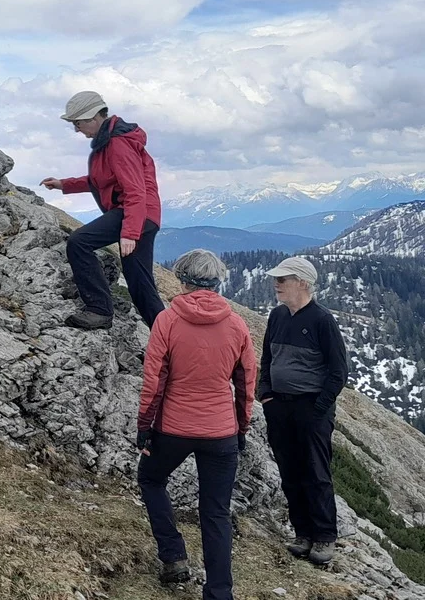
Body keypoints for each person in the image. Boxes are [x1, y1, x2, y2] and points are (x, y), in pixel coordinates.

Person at [135, 249, 256, 599]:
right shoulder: (236, 324)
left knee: (151, 478)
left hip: (173, 427)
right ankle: (219, 592)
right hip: (221, 433)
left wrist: (145, 426)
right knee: (215, 513)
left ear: (181, 278)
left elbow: (154, 379)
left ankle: (173, 557)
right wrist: (242, 429)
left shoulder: (168, 320)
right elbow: (246, 382)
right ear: (217, 280)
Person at [41, 91, 165, 330]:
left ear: (92, 118)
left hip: (134, 212)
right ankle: (170, 344)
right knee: (140, 285)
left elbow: (135, 190)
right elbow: (101, 180)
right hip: (142, 215)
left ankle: (98, 310)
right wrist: (64, 184)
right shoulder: (109, 142)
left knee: (79, 242)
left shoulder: (117, 144)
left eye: (77, 123)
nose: (77, 130)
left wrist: (129, 232)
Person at [259, 256, 347, 565]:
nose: (276, 284)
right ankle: (302, 534)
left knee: (315, 472)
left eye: (283, 280)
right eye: (277, 279)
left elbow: (338, 372)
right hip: (280, 407)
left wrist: (319, 409)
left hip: (311, 409)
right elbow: (267, 359)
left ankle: (324, 536)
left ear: (303, 283)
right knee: (289, 471)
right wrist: (266, 395)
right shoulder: (277, 316)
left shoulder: (322, 320)